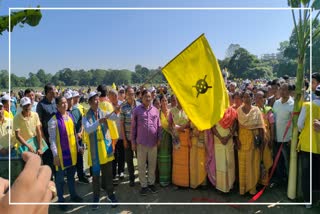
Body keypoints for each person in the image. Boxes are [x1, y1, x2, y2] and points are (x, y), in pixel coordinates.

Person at [82, 91, 118, 209]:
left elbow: (115, 117)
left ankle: (110, 195)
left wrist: (116, 110)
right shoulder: (86, 117)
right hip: (95, 152)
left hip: (106, 149)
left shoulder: (103, 112)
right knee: (96, 176)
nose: (97, 102)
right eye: (95, 100)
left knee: (108, 174)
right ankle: (96, 198)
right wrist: (98, 122)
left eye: (98, 99)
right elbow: (87, 130)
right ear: (90, 102)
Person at [48, 96, 83, 210]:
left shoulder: (70, 116)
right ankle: (61, 201)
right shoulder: (53, 120)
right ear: (57, 106)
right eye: (62, 103)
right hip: (61, 156)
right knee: (60, 180)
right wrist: (55, 155)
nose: (64, 105)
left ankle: (73, 195)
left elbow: (73, 134)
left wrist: (78, 147)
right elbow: (52, 140)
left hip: (72, 153)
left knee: (71, 176)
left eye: (65, 103)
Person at [131, 89, 160, 196]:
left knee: (152, 165)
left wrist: (159, 138)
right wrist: (133, 142)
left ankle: (151, 184)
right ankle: (143, 185)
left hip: (153, 143)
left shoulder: (155, 110)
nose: (148, 98)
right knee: (141, 165)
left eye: (149, 96)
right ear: (141, 98)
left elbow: (159, 125)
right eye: (145, 97)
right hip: (141, 143)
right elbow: (133, 127)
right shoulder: (136, 110)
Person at [237, 90, 265, 195]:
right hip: (242, 140)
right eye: (244, 97)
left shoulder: (256, 110)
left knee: (253, 164)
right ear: (242, 98)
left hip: (254, 141)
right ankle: (243, 189)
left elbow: (261, 127)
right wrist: (236, 139)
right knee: (243, 165)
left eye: (248, 97)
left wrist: (261, 141)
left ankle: (252, 189)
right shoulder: (238, 110)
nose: (246, 99)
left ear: (252, 98)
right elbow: (236, 126)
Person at [297, 85, 320, 207]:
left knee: (307, 175)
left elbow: (300, 125)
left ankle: (308, 202)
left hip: (307, 144)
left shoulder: (307, 105)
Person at [211, 97, 237, 193]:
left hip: (228, 140)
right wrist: (221, 138)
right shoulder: (215, 111)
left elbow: (235, 125)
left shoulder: (232, 111)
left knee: (229, 162)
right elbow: (212, 127)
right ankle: (221, 187)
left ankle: (230, 185)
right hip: (219, 140)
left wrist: (228, 136)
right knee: (220, 163)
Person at [65, 91, 89, 184]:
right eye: (68, 99)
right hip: (68, 140)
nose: (70, 101)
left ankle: (81, 176)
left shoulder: (77, 110)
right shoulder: (64, 113)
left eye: (71, 99)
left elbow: (82, 122)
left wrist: (81, 132)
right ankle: (70, 177)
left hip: (78, 139)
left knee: (80, 157)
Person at [272, 83, 294, 184]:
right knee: (278, 161)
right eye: (281, 89)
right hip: (276, 138)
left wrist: (292, 138)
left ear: (289, 92)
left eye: (285, 90)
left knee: (287, 162)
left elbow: (294, 123)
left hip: (287, 140)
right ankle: (280, 180)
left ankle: (289, 183)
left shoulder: (292, 104)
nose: (282, 91)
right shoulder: (276, 103)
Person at [120, 86, 140, 187]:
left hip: (138, 138)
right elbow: (122, 125)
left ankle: (141, 177)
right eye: (129, 94)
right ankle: (132, 178)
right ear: (126, 95)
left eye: (132, 94)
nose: (131, 96)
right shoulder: (123, 107)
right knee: (129, 159)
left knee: (140, 159)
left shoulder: (139, 106)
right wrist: (124, 139)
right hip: (127, 138)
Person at [169, 98, 190, 188]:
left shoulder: (187, 109)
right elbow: (170, 124)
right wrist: (176, 129)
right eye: (177, 98)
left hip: (186, 137)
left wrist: (183, 127)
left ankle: (185, 182)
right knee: (177, 161)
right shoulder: (172, 111)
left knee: (186, 161)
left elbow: (190, 121)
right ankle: (177, 182)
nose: (179, 99)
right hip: (176, 138)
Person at [36, 83, 57, 174]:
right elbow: (39, 122)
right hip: (47, 137)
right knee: (48, 160)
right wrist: (43, 136)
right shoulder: (41, 104)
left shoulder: (56, 101)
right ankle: (49, 180)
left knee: (57, 158)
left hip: (57, 134)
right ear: (48, 92)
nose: (56, 91)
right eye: (54, 90)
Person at [255, 90, 274, 186]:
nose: (258, 100)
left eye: (260, 98)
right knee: (256, 160)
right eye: (256, 97)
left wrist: (271, 139)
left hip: (266, 138)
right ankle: (257, 181)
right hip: (255, 139)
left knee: (266, 159)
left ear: (264, 99)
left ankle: (264, 182)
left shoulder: (268, 110)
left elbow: (272, 125)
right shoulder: (252, 110)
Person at [108, 89, 125, 182]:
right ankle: (113, 173)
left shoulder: (122, 104)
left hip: (121, 134)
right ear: (109, 97)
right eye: (111, 95)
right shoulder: (108, 106)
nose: (114, 97)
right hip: (111, 135)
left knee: (121, 154)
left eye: (115, 95)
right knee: (113, 155)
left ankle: (121, 171)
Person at [157, 95, 172, 187]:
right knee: (162, 159)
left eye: (166, 100)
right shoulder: (157, 113)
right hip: (161, 139)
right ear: (160, 102)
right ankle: (162, 180)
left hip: (169, 139)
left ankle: (169, 179)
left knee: (169, 159)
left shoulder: (171, 112)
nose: (165, 102)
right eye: (163, 101)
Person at [189, 122, 207, 189]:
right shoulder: (192, 113)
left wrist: (200, 130)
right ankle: (194, 182)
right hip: (193, 138)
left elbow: (207, 124)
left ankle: (203, 182)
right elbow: (189, 127)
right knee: (193, 161)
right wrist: (192, 133)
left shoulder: (204, 114)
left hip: (202, 137)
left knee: (202, 160)